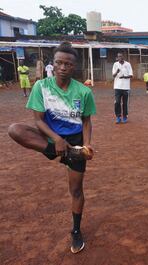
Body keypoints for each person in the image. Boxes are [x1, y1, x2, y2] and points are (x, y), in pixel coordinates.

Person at [8, 42, 97, 254]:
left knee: (75, 190)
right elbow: (38, 120)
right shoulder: (41, 87)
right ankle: (63, 154)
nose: (63, 67)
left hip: (74, 141)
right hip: (49, 138)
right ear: (53, 64)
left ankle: (76, 230)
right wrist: (56, 140)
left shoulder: (83, 92)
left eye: (68, 63)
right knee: (15, 130)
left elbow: (86, 122)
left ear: (74, 66)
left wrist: (86, 145)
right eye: (59, 62)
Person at [112, 53, 133, 124]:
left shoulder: (128, 64)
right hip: (117, 87)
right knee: (117, 102)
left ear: (123, 57)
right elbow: (113, 75)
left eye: (121, 56)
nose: (120, 57)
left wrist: (124, 77)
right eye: (118, 56)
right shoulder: (115, 64)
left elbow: (131, 75)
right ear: (117, 58)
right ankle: (118, 117)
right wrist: (117, 72)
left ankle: (124, 117)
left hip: (126, 87)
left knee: (125, 103)